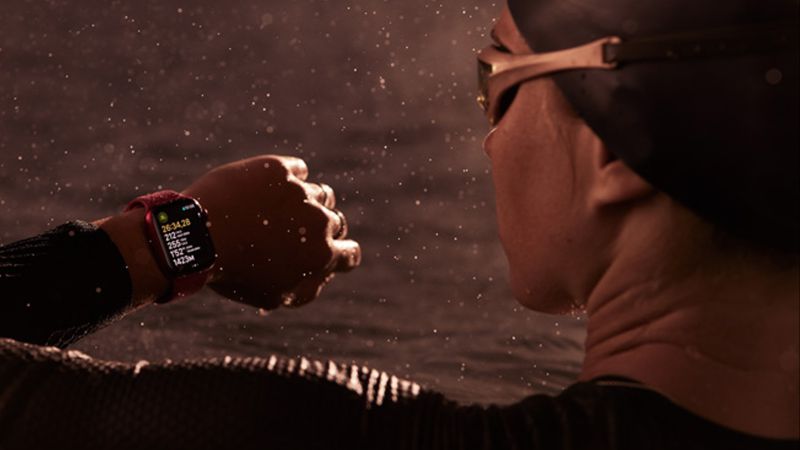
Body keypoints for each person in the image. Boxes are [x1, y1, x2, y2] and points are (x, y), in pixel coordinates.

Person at [0, 1, 797, 449]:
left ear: (617, 150)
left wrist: (171, 240)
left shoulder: (328, 436)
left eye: (497, 76)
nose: (489, 136)